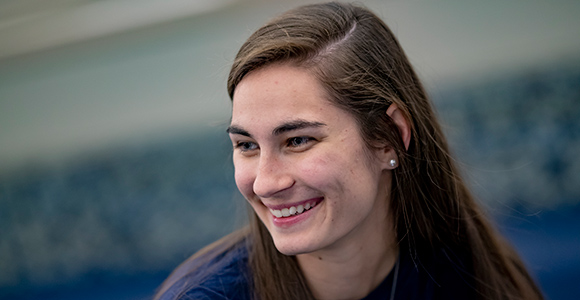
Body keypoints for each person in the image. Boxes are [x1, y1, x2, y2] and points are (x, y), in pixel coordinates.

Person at [154, 2, 544, 299]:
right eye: (247, 145)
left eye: (297, 140)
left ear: (389, 135)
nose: (266, 183)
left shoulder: (470, 274)